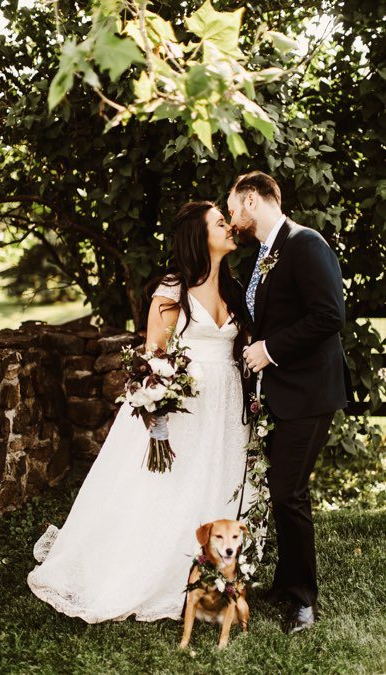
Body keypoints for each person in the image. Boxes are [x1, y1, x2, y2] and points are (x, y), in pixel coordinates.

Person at [27, 201, 253, 622]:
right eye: (219, 223)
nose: (229, 227)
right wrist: (158, 412)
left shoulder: (235, 287)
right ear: (198, 237)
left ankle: (212, 571)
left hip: (225, 405)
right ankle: (154, 568)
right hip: (184, 408)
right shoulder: (173, 288)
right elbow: (155, 359)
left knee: (216, 479)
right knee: (168, 486)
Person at [228, 171, 350, 633]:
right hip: (282, 394)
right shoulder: (265, 254)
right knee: (282, 493)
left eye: (234, 207)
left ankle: (304, 601)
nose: (231, 216)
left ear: (253, 200)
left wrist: (269, 350)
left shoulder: (305, 243)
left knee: (288, 492)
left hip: (311, 393)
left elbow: (329, 316)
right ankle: (287, 581)